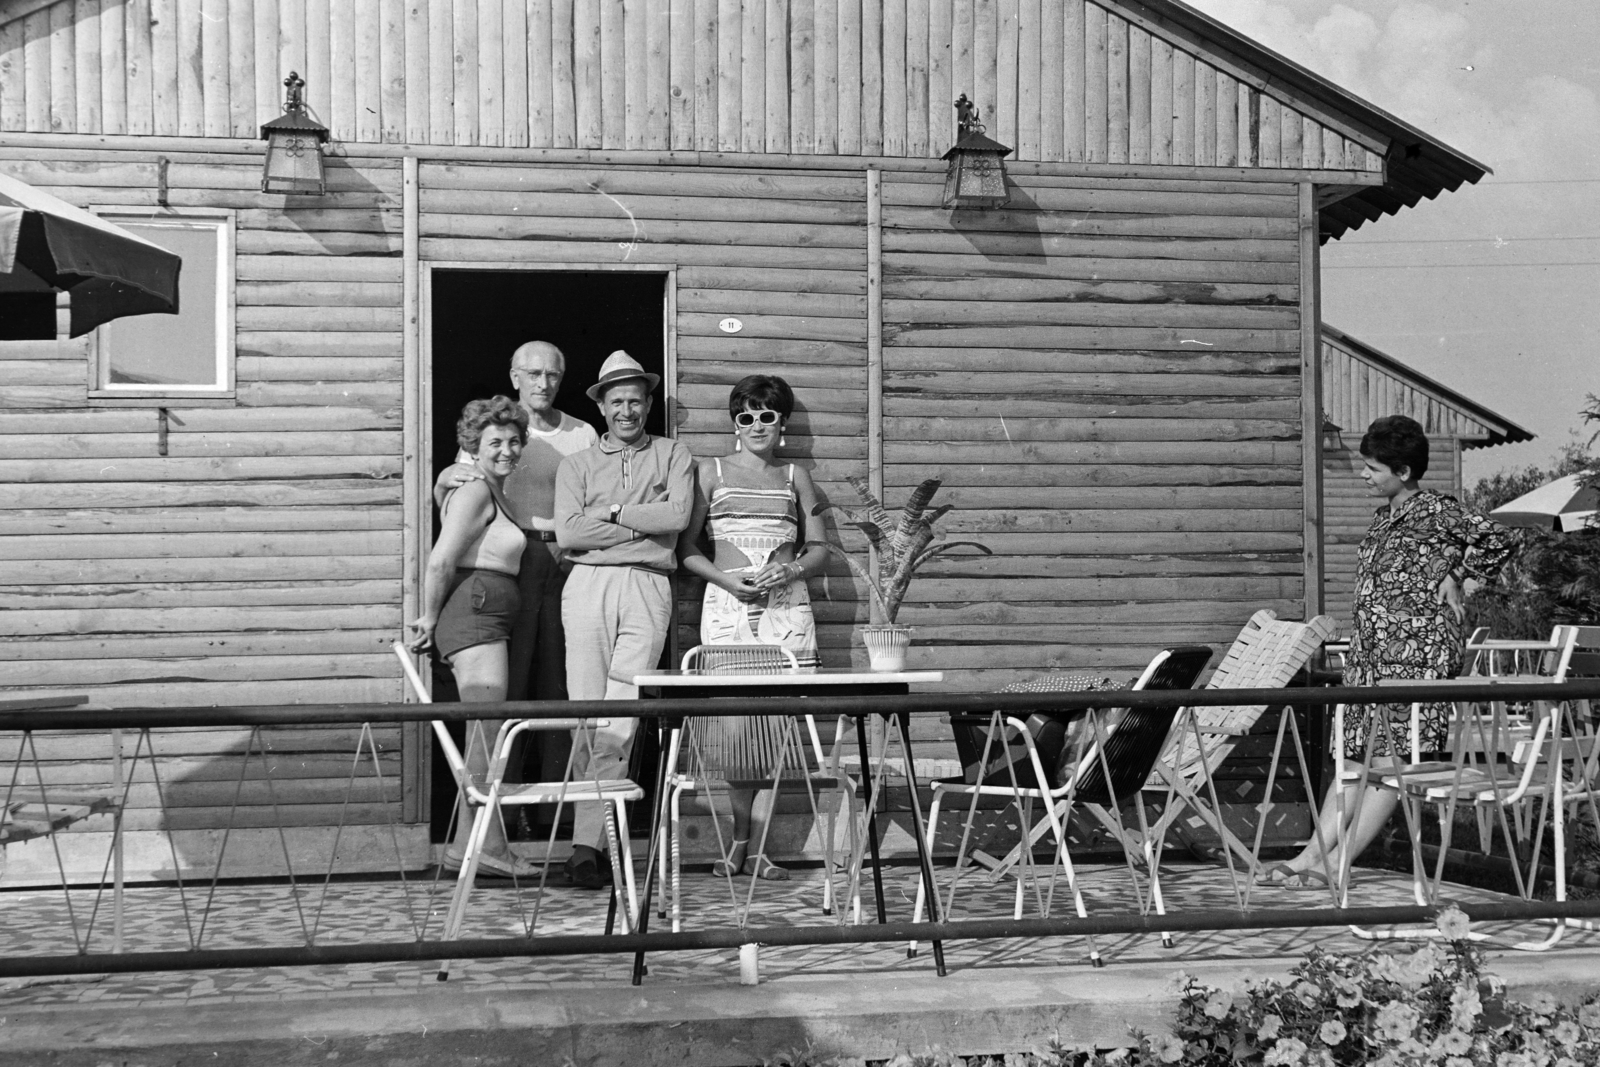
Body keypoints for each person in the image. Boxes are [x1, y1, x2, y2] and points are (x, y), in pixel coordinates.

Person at [1259, 415, 1517, 888]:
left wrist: (1458, 577)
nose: (1363, 475)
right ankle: (1308, 856)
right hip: (1372, 655)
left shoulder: (1437, 510)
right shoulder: (1384, 518)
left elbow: (1500, 538)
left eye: (1372, 469)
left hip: (1418, 655)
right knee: (1355, 759)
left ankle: (1337, 866)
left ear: (1402, 471)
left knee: (1391, 763)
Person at [677, 374, 830, 880]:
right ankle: (738, 843)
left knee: (776, 732)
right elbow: (687, 549)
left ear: (782, 423)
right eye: (747, 416)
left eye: (769, 415)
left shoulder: (796, 477)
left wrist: (789, 569)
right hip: (728, 608)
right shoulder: (711, 471)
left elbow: (820, 548)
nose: (758, 425)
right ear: (734, 423)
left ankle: (761, 849)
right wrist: (726, 582)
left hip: (785, 612)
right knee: (738, 731)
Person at [554, 350, 694, 889]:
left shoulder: (673, 453)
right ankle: (587, 846)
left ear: (649, 402)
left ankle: (599, 844)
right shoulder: (578, 464)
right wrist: (642, 525)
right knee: (588, 711)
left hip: (648, 586)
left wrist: (609, 515)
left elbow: (676, 519)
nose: (628, 411)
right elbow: (568, 534)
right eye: (617, 402)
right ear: (603, 406)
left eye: (636, 400)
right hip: (587, 587)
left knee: (624, 714)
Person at [435, 341, 598, 789]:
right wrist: (439, 482)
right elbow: (458, 491)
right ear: (514, 377)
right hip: (512, 557)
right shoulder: (496, 429)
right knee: (513, 676)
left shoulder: (582, 433)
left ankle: (556, 798)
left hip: (565, 559)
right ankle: (507, 798)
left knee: (560, 676)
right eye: (533, 374)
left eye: (552, 375)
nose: (542, 383)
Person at [406, 396, 536, 878]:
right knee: (485, 736)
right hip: (474, 614)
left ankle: (468, 845)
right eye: (494, 442)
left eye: (513, 441)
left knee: (486, 736)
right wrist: (427, 616)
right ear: (473, 448)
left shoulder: (492, 490)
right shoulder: (476, 490)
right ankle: (490, 847)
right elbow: (441, 559)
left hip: (487, 615)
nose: (506, 450)